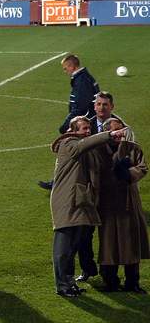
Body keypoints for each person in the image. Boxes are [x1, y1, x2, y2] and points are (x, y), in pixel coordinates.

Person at [50, 116, 127, 297]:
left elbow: (103, 165)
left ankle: (69, 283)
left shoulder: (87, 148)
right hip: (67, 202)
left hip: (81, 201)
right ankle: (62, 285)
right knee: (62, 249)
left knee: (73, 247)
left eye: (88, 128)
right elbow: (81, 147)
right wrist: (108, 135)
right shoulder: (68, 144)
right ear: (72, 130)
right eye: (83, 128)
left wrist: (117, 146)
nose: (87, 131)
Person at [97, 118, 149, 293]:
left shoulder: (133, 148)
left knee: (131, 243)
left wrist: (127, 174)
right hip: (108, 203)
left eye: (121, 131)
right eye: (116, 133)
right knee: (108, 244)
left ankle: (132, 282)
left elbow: (142, 168)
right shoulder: (99, 150)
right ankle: (110, 281)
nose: (120, 136)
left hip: (128, 202)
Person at [39, 54, 100, 190]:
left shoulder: (81, 81)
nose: (65, 71)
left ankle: (59, 182)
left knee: (70, 153)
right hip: (85, 123)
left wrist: (67, 125)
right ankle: (58, 181)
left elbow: (81, 107)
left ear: (72, 66)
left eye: (65, 68)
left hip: (83, 125)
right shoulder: (82, 77)